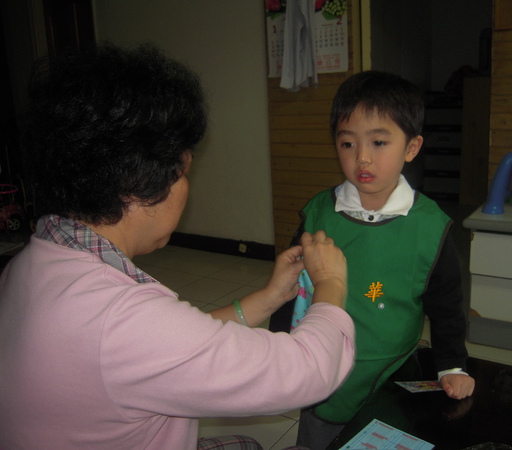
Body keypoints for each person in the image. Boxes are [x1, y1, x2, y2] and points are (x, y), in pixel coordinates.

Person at [0, 43, 355, 450]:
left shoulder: (33, 258)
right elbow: (306, 372)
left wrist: (269, 298)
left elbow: (172, 347)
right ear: (141, 184)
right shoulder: (119, 320)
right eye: (183, 172)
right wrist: (331, 283)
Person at [270, 70, 475, 450]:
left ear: (411, 148)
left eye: (379, 142)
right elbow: (289, 290)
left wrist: (452, 365)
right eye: (347, 143)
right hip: (324, 372)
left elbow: (447, 306)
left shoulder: (431, 227)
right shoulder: (318, 214)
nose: (362, 157)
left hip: (391, 375)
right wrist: (279, 346)